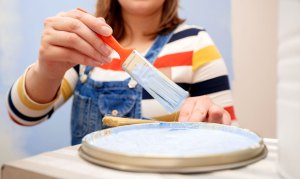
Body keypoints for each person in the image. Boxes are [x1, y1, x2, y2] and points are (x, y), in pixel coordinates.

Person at [7, 0, 236, 145]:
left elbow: (231, 139)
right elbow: (22, 115)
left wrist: (213, 119)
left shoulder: (196, 43)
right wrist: (47, 71)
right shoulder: (86, 48)